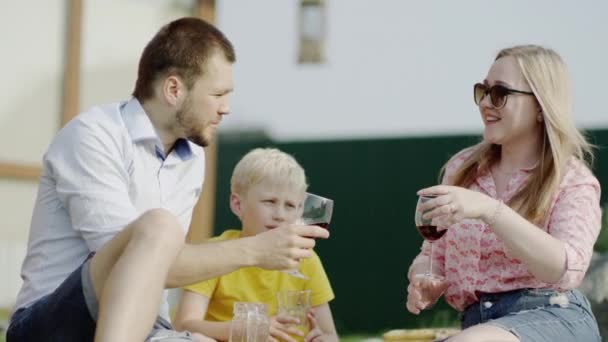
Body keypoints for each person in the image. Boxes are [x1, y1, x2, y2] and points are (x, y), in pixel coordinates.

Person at [7, 17, 328, 342]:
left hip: (146, 329)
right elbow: (137, 266)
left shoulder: (191, 157)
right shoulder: (93, 135)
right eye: (217, 94)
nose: (226, 109)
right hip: (52, 325)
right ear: (173, 89)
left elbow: (169, 266)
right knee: (160, 227)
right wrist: (256, 250)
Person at [406, 45, 602, 342]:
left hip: (554, 317)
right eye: (482, 91)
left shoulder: (572, 180)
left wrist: (491, 210)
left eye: (500, 93)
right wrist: (423, 277)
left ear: (540, 106)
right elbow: (433, 253)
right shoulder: (462, 168)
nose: (486, 102)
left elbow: (566, 269)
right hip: (478, 324)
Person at [173, 148, 338, 342]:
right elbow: (184, 326)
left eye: (290, 205)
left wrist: (322, 338)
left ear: (300, 210)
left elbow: (330, 334)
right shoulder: (215, 255)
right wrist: (243, 329)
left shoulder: (306, 260)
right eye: (270, 201)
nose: (280, 215)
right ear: (238, 204)